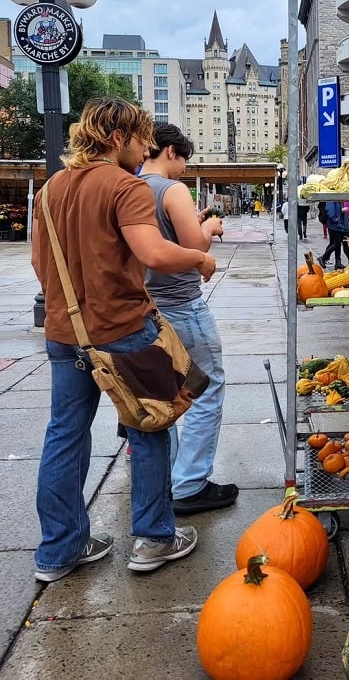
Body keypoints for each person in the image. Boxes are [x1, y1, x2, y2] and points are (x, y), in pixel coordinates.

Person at [31, 97, 216, 583]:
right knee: (150, 426)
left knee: (64, 435)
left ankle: (58, 551)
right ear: (118, 139)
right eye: (141, 140)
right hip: (123, 330)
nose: (145, 149)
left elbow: (39, 264)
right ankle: (154, 538)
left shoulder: (50, 189)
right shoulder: (123, 186)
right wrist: (199, 260)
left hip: (64, 332)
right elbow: (153, 252)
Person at [139, 123, 238, 515]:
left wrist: (188, 223)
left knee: (162, 395)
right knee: (206, 388)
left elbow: (158, 241)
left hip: (146, 309)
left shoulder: (128, 187)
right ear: (169, 152)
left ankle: (165, 478)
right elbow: (194, 248)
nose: (183, 168)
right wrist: (208, 227)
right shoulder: (171, 189)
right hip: (182, 305)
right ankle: (191, 483)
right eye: (183, 160)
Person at [317, 201, 349, 270]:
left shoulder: (338, 201)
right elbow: (331, 212)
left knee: (336, 244)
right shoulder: (332, 200)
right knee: (337, 244)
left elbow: (337, 211)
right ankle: (323, 257)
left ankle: (338, 263)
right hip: (334, 226)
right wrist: (337, 220)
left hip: (337, 225)